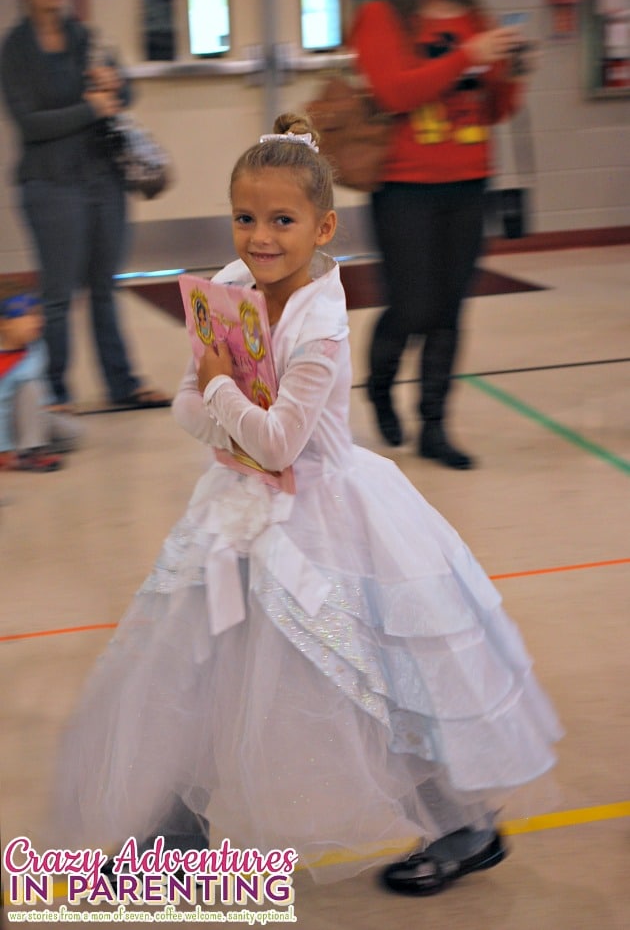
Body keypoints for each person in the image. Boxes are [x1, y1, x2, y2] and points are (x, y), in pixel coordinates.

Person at [54, 113, 561, 895]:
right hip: (236, 514)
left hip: (326, 519)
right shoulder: (226, 289)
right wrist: (221, 408)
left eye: (282, 220)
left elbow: (283, 441)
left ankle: (464, 823)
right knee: (199, 662)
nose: (260, 237)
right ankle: (180, 834)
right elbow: (188, 409)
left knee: (378, 684)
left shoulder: (321, 322)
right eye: (245, 217)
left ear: (323, 226)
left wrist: (223, 392)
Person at [351, 0, 531, 468]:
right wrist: (467, 55)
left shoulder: (474, 16)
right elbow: (394, 92)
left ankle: (434, 425)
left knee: (449, 311)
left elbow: (495, 109)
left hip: (470, 184)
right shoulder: (381, 15)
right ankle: (380, 385)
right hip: (405, 186)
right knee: (412, 308)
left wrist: (511, 71)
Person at [0, 0, 170, 411]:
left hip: (103, 179)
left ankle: (122, 384)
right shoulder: (15, 49)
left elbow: (122, 96)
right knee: (58, 295)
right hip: (51, 184)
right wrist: (91, 107)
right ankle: (53, 390)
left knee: (105, 288)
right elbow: (30, 123)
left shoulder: (83, 36)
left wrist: (118, 86)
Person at [0, 284, 80, 472]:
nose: (37, 321)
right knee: (29, 387)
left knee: (75, 434)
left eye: (37, 314)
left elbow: (41, 379)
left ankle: (26, 445)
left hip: (22, 417)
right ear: (4, 323)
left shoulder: (36, 348)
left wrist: (49, 403)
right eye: (26, 315)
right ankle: (30, 452)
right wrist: (2, 448)